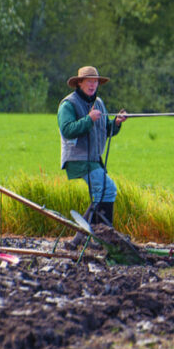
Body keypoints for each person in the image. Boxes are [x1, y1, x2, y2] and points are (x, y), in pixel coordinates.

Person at [58, 66, 127, 246]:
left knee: (101, 193)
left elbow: (106, 130)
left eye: (95, 81)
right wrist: (89, 119)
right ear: (79, 83)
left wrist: (117, 123)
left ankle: (80, 240)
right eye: (89, 81)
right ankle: (103, 236)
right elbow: (67, 131)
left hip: (93, 160)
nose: (92, 85)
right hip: (77, 160)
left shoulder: (99, 103)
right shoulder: (68, 104)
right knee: (108, 189)